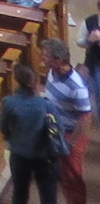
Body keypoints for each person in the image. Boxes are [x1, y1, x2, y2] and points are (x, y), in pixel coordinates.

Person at [2, 61, 62, 204]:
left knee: (20, 193)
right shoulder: (45, 104)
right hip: (43, 155)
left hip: (19, 153)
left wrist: (13, 139)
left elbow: (3, 127)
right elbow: (58, 128)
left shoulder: (9, 102)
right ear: (34, 81)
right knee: (48, 194)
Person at [45, 37, 92, 204]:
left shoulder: (77, 87)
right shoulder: (51, 72)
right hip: (55, 130)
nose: (44, 58)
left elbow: (86, 117)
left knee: (72, 177)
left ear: (58, 60)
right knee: (60, 173)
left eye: (47, 56)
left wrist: (71, 143)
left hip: (70, 135)